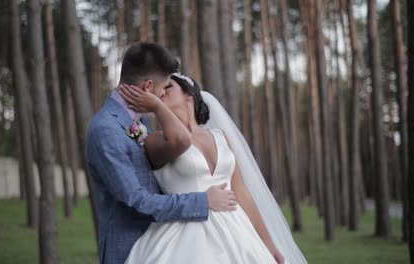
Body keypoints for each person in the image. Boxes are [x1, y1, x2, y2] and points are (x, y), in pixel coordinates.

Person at [118, 73, 307, 264]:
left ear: (189, 95)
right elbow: (180, 138)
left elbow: (241, 194)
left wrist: (270, 245)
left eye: (169, 87)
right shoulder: (156, 140)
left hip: (238, 233)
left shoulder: (221, 136)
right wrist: (157, 107)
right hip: (186, 235)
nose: (161, 92)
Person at [85, 43, 238, 264]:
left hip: (167, 243)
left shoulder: (140, 120)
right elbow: (136, 201)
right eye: (164, 87)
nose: (163, 94)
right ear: (148, 87)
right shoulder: (106, 130)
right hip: (129, 249)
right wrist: (202, 202)